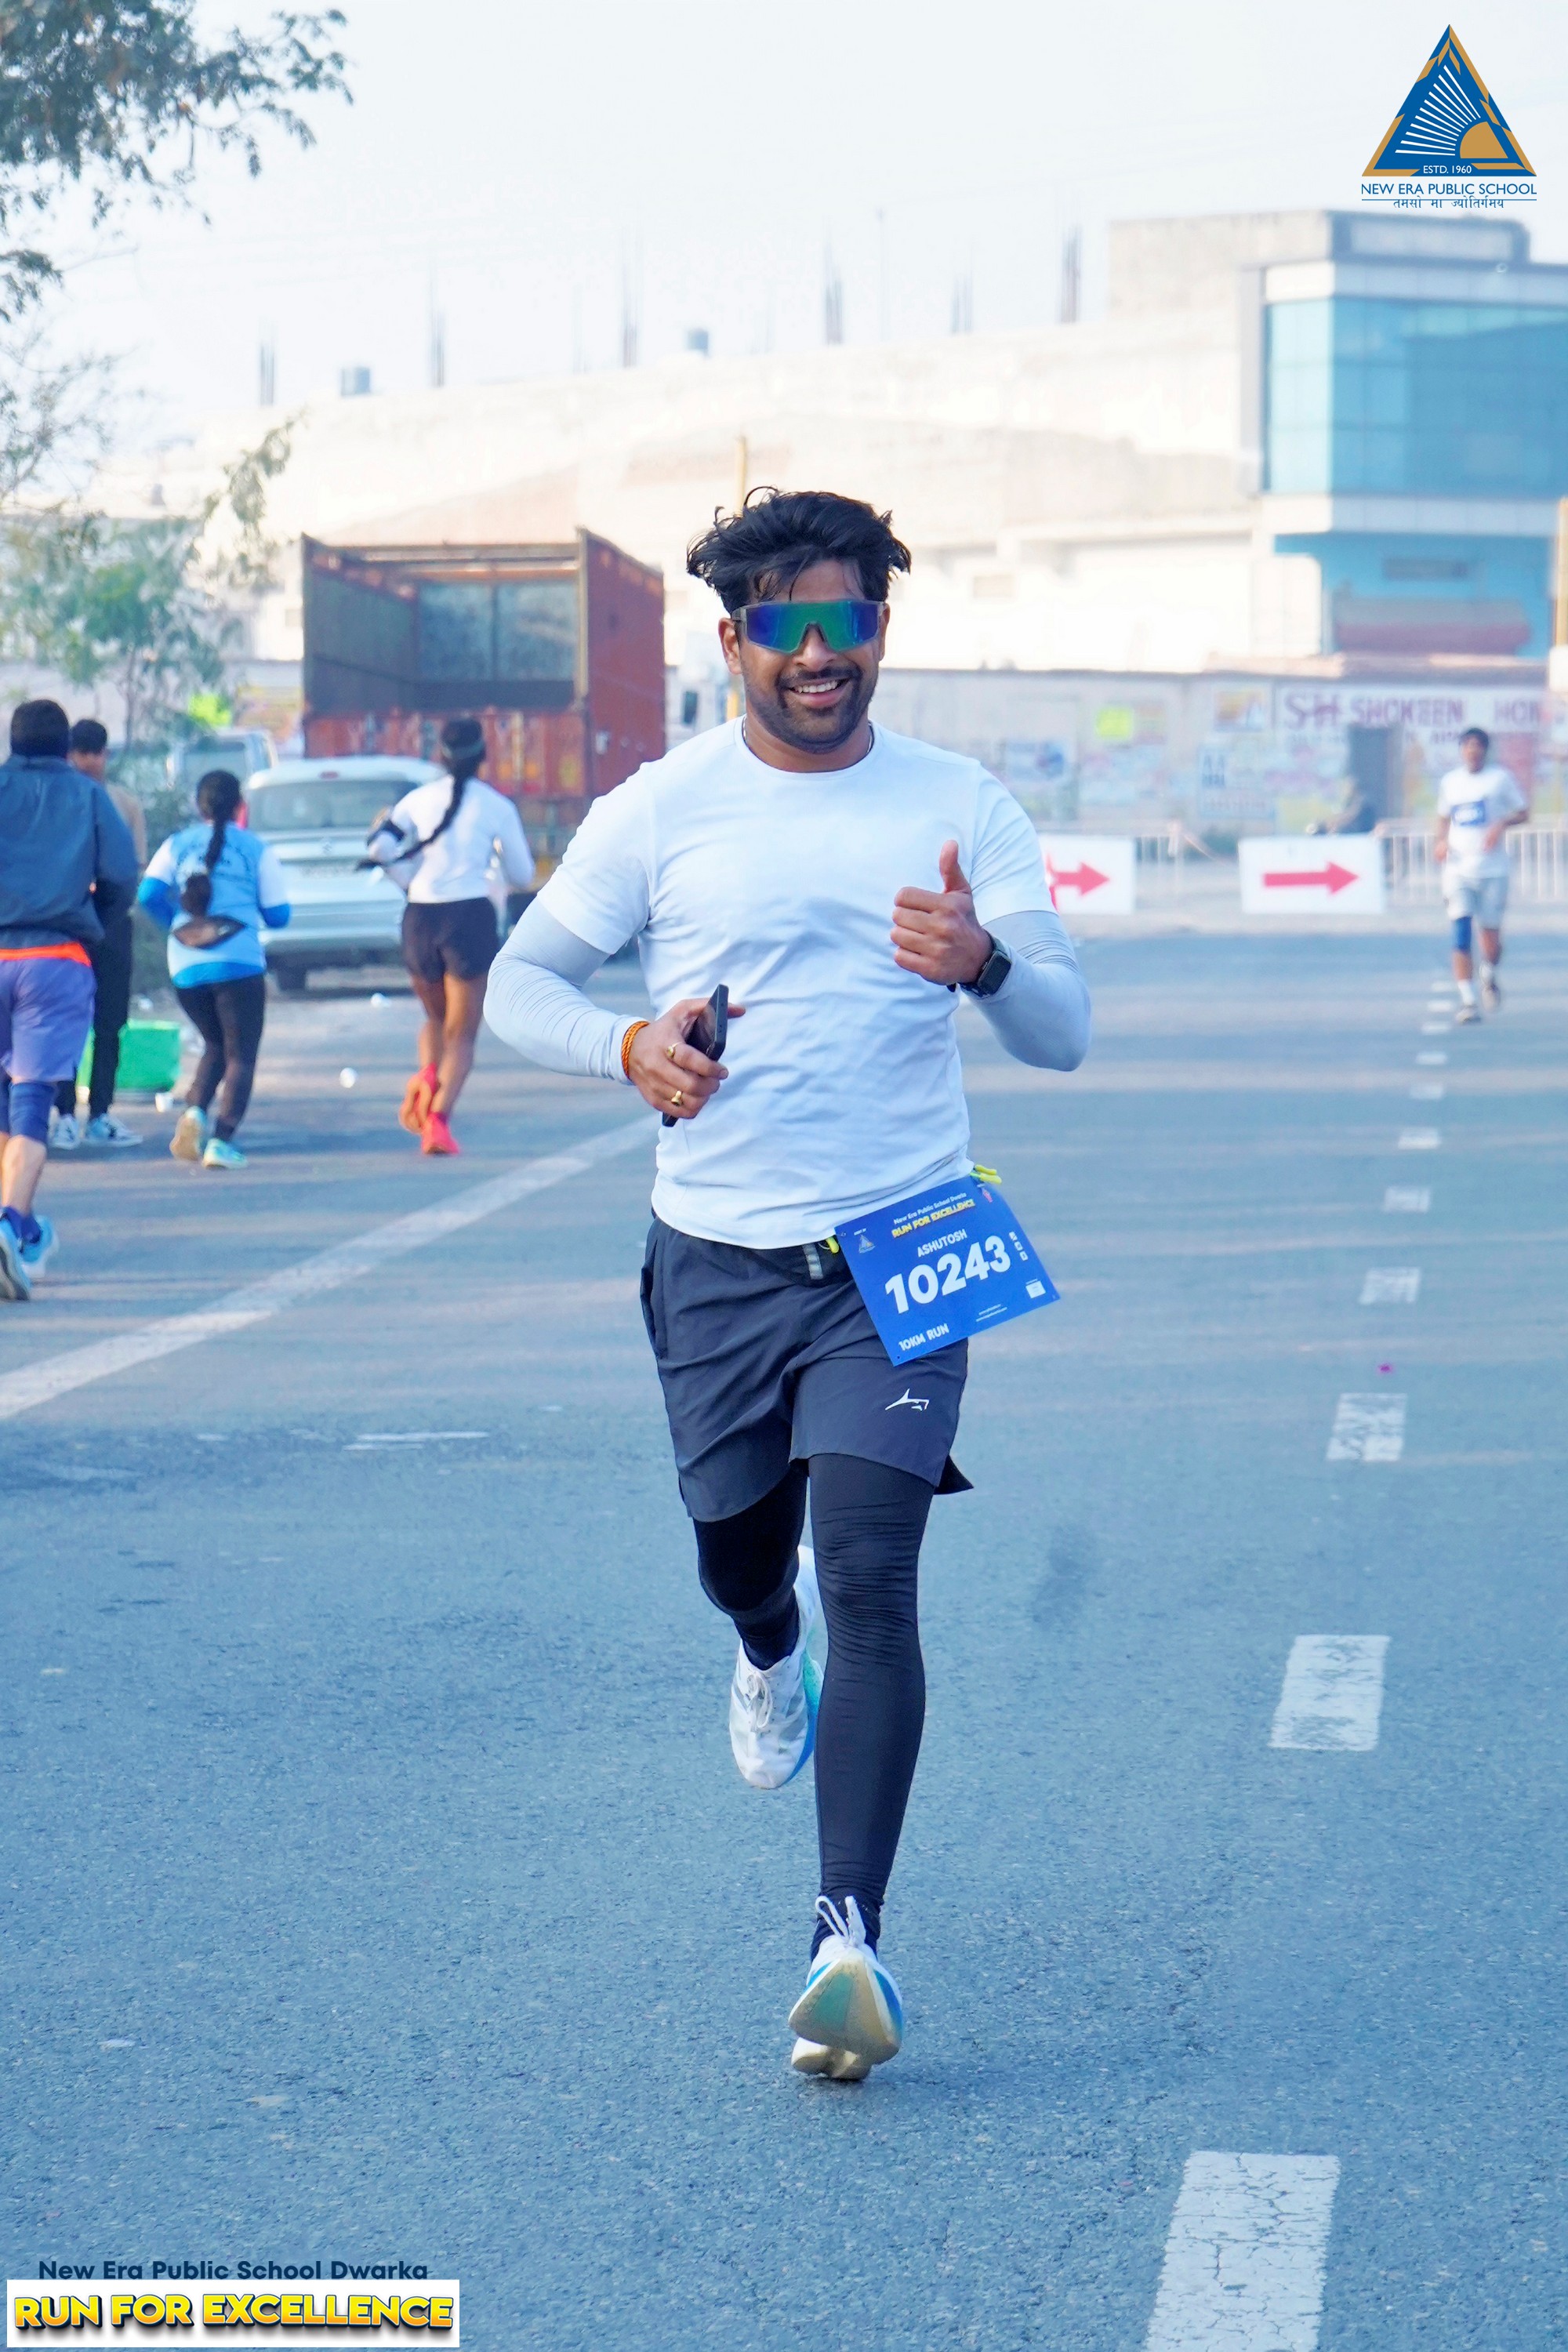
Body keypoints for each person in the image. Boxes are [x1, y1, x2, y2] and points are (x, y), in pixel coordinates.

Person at [485, 488, 1091, 2078]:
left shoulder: (962, 803)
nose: (821, 654)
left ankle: (847, 1944)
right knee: (742, 1556)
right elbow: (521, 985)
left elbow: (1065, 1033)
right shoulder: (660, 810)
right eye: (787, 626)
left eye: (850, 621)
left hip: (906, 1247)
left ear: (883, 629)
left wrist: (985, 963)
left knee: (872, 1576)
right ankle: (764, 1651)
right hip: (717, 1256)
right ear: (733, 640)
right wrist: (627, 1044)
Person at [0, 698, 137, 1300]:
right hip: (54, 958)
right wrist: (91, 923)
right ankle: (12, 1224)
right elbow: (122, 876)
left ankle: (21, 1229)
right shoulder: (87, 796)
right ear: (65, 747)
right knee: (32, 1102)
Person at [366, 713, 535, 1156]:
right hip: (469, 918)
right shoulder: (496, 806)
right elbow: (522, 873)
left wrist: (409, 881)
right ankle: (438, 1123)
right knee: (462, 1034)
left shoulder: (415, 801)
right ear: (483, 755)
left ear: (439, 756)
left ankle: (427, 1075)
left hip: (419, 918)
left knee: (435, 1020)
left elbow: (379, 847)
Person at [137, 769, 291, 1169]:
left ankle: (194, 1113)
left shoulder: (176, 844)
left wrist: (176, 925)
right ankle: (222, 1141)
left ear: (198, 806)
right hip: (239, 965)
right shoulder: (255, 849)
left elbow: (148, 894)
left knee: (216, 1044)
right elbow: (278, 915)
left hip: (185, 967)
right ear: (240, 807)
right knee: (241, 1055)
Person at [49, 717, 147, 1150]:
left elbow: (134, 870)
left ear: (105, 755)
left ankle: (101, 1114)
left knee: (110, 1023)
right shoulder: (56, 802)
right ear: (69, 754)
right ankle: (65, 1114)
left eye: (95, 753)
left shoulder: (126, 805)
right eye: (80, 752)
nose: (88, 761)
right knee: (65, 1022)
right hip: (68, 925)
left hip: (110, 925)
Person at [1435, 724, 1529, 1022]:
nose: (1472, 752)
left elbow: (1523, 812)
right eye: (1467, 747)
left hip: (1492, 869)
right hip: (1458, 869)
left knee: (1490, 938)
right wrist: (1440, 841)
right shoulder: (1451, 782)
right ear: (1462, 751)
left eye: (1477, 747)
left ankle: (1488, 972)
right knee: (1460, 932)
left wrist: (1500, 825)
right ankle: (1469, 1001)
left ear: (1485, 751)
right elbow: (1443, 817)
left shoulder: (1500, 779)